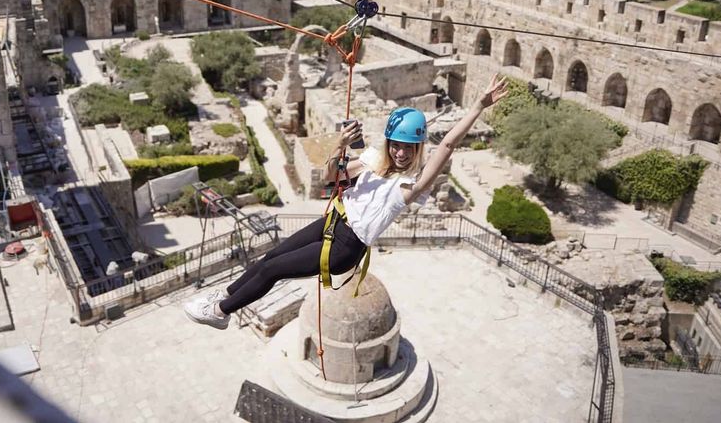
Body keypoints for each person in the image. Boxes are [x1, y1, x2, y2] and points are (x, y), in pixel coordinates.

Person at [184, 74, 509, 329]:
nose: (399, 152)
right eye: (396, 144)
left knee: (272, 269)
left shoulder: (412, 185)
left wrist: (478, 106)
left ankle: (219, 312)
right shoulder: (374, 159)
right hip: (333, 220)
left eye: (407, 147)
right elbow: (331, 177)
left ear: (417, 149)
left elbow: (448, 145)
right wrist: (338, 147)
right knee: (272, 254)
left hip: (346, 246)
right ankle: (226, 295)